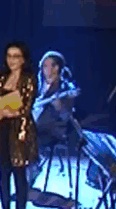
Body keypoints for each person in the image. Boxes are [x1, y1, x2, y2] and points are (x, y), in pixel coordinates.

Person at [0, 42, 38, 209]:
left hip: (20, 131)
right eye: (9, 56)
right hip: (1, 130)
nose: (12, 60)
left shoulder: (29, 79)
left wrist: (7, 112)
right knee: (3, 175)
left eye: (16, 56)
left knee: (19, 175)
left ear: (23, 59)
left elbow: (26, 107)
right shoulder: (2, 77)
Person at [28, 51, 81, 186]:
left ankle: (31, 171)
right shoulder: (37, 86)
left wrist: (59, 106)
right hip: (32, 125)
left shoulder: (65, 88)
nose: (48, 70)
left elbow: (65, 117)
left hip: (52, 130)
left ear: (58, 68)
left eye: (51, 66)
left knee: (30, 138)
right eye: (44, 66)